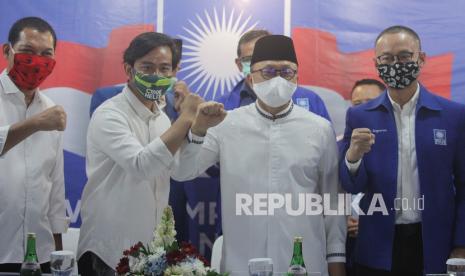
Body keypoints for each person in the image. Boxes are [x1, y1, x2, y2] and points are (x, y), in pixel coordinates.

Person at [174, 35, 346, 276]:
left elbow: (333, 200)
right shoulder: (226, 124)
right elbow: (182, 172)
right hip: (242, 259)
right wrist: (199, 130)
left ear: (297, 75)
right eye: (267, 71)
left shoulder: (319, 129)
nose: (277, 79)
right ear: (251, 75)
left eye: (286, 71)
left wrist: (336, 259)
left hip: (303, 259)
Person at [339, 25, 465, 275]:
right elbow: (350, 186)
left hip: (434, 244)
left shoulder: (453, 115)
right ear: (376, 63)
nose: (396, 64)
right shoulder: (359, 115)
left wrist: (461, 244)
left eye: (405, 56)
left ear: (421, 58)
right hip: (377, 246)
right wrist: (353, 157)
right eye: (387, 58)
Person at [77, 32, 203, 275]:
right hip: (107, 252)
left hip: (150, 253)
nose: (156, 76)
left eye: (165, 68)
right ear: (128, 69)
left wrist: (198, 130)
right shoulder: (110, 114)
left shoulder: (163, 119)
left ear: (174, 73)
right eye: (147, 67)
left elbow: (181, 172)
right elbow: (142, 166)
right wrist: (186, 117)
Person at [0, 17, 68, 273]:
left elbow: (55, 187)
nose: (36, 62)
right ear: (8, 51)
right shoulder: (47, 117)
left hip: (39, 255)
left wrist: (58, 256)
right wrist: (36, 124)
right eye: (28, 52)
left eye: (46, 54)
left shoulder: (50, 110)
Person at [217, 29, 331, 121]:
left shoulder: (310, 100)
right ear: (240, 65)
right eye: (249, 59)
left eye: (263, 58)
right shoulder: (222, 106)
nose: (256, 65)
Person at [344, 78, 384, 276]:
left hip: (386, 245)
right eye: (357, 104)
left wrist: (369, 223)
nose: (364, 109)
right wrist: (341, 220)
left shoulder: (401, 147)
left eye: (371, 103)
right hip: (346, 247)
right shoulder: (340, 146)